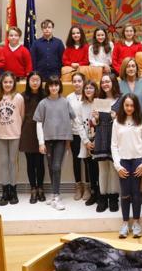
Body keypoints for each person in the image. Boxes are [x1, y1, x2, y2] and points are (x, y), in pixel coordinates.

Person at [33, 76, 76, 211]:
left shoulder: (65, 102)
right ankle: (53, 195)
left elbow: (73, 119)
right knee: (51, 167)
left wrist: (68, 138)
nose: (54, 87)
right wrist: (41, 142)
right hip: (47, 140)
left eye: (56, 85)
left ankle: (56, 196)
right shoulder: (43, 103)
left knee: (57, 166)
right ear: (48, 87)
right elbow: (39, 123)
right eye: (51, 85)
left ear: (59, 86)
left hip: (61, 140)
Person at [111, 93, 142, 238]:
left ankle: (137, 223)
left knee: (136, 194)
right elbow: (113, 145)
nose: (129, 108)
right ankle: (125, 223)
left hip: (138, 161)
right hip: (123, 162)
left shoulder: (141, 121)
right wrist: (118, 166)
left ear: (136, 106)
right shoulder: (117, 122)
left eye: (132, 105)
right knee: (125, 194)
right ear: (123, 106)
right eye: (126, 105)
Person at [0, 72, 24, 206]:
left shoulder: (18, 97)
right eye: (5, 82)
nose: (8, 84)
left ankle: (13, 190)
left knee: (13, 163)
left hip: (14, 134)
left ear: (14, 83)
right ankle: (5, 191)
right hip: (1, 135)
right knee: (4, 163)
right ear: (1, 83)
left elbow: (21, 115)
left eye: (10, 82)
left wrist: (15, 128)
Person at [93, 73, 122, 212]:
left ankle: (113, 198)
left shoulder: (120, 100)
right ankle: (102, 198)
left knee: (114, 169)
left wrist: (116, 118)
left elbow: (125, 120)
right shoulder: (99, 100)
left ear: (113, 83)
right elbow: (94, 122)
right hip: (101, 136)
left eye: (108, 81)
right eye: (103, 82)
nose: (105, 84)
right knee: (102, 169)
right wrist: (95, 118)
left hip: (115, 137)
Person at [20, 71, 46, 203]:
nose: (35, 82)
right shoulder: (22, 96)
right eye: (32, 80)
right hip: (27, 132)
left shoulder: (45, 96)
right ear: (28, 82)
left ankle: (41, 188)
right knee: (30, 163)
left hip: (42, 133)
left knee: (40, 163)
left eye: (37, 80)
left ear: (41, 82)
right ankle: (33, 189)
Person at [66, 72, 91, 201]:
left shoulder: (88, 95)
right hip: (74, 134)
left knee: (87, 161)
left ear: (83, 82)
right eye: (74, 81)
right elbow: (66, 118)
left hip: (87, 134)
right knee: (76, 161)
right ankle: (78, 186)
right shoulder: (68, 98)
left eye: (79, 81)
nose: (77, 83)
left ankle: (87, 187)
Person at [78, 81, 100, 206]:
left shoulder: (100, 103)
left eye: (91, 88)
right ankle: (93, 193)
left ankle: (101, 194)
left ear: (95, 89)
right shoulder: (82, 105)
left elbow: (103, 123)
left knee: (99, 169)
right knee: (90, 169)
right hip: (87, 142)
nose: (88, 90)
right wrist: (86, 142)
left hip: (99, 141)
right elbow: (79, 125)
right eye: (86, 88)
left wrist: (97, 141)